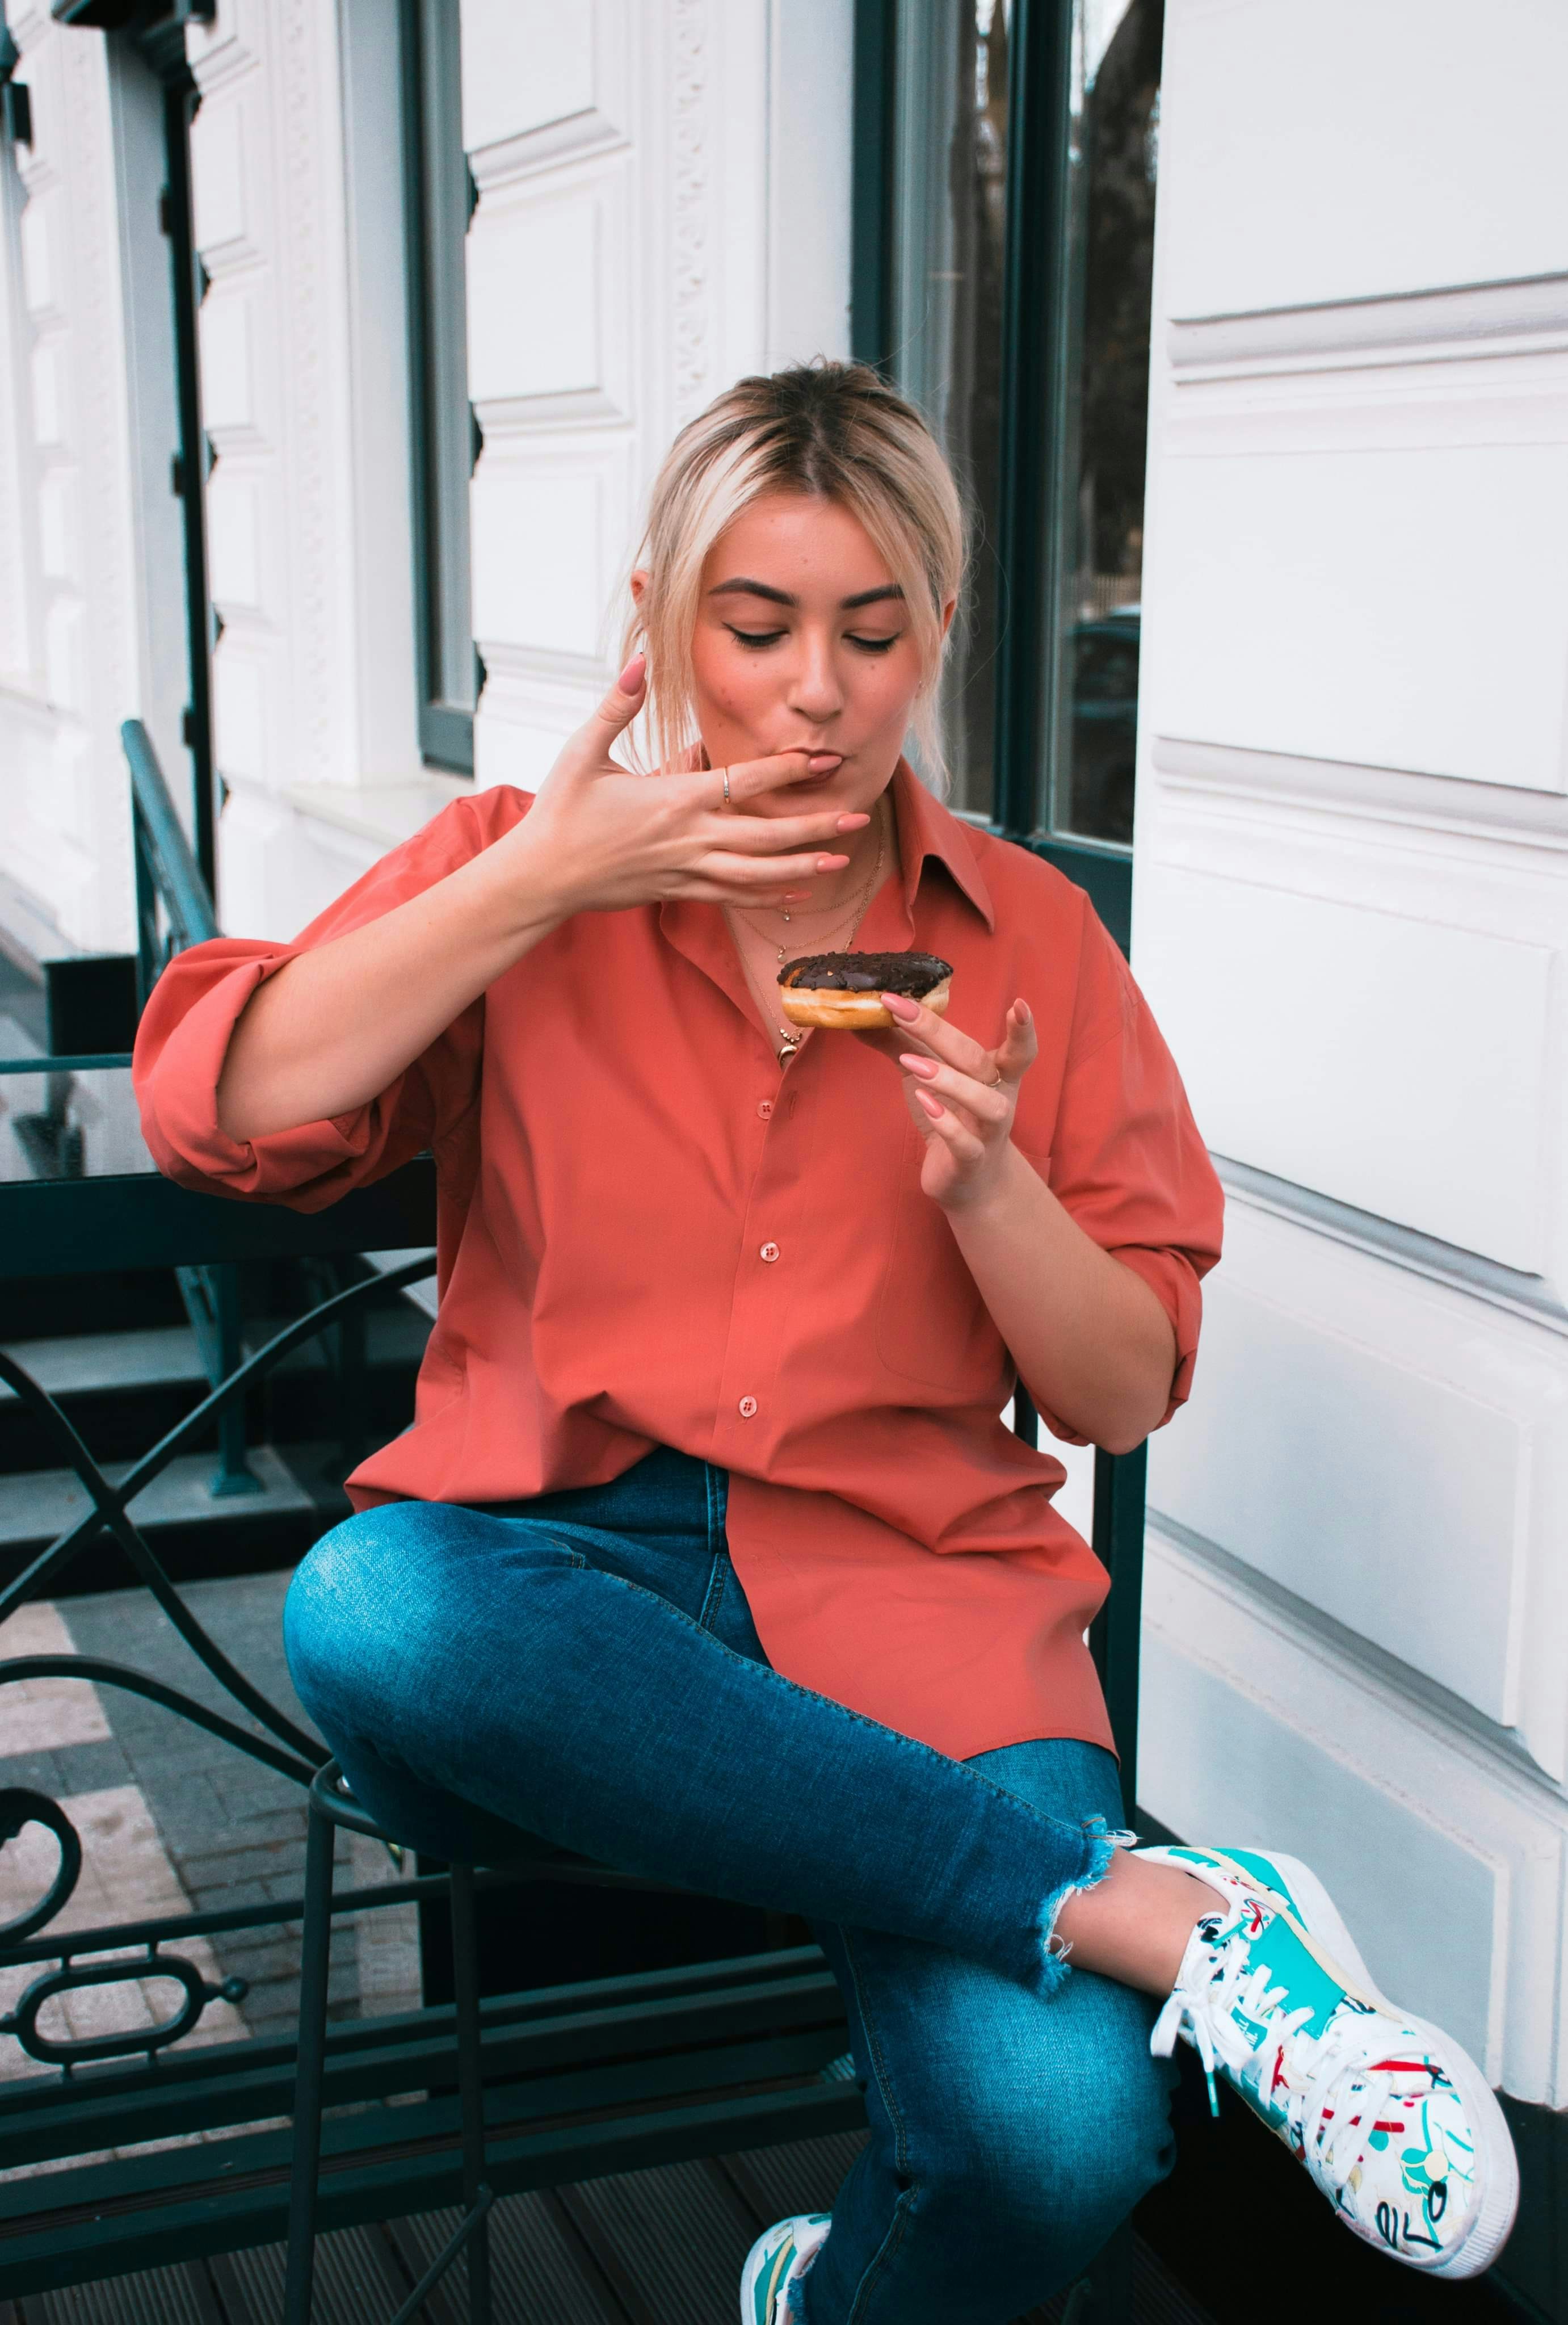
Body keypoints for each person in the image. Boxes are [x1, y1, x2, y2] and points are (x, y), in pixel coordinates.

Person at [134, 363, 1516, 2323]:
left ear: (939, 628)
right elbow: (213, 1112)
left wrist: (991, 1192)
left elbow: (1119, 1391)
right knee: (372, 1607)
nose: (814, 692)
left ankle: (828, 2284)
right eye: (756, 626)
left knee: (1055, 2142)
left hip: (916, 1597)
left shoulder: (1032, 934)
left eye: (871, 633)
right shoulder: (521, 871)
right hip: (557, 1607)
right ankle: (1152, 1918)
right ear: (656, 622)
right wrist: (544, 878)